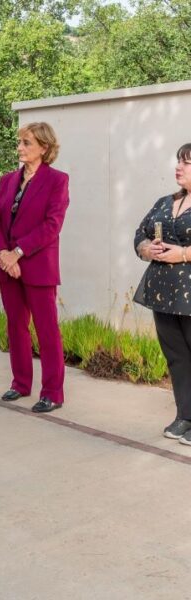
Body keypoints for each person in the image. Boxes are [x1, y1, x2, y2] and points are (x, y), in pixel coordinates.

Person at [0, 122, 70, 413]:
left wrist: (18, 253)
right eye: (20, 142)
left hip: (37, 266)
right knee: (16, 327)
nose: (20, 147)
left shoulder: (58, 180)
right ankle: (20, 383)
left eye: (27, 143)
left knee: (47, 331)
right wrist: (4, 255)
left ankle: (52, 393)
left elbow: (52, 225)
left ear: (44, 148)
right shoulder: (7, 180)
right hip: (8, 267)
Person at [133, 143, 191, 443]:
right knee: (176, 357)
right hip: (162, 294)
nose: (179, 167)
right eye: (179, 161)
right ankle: (185, 416)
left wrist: (182, 253)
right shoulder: (164, 202)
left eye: (187, 163)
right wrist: (146, 248)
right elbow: (140, 234)